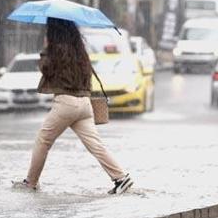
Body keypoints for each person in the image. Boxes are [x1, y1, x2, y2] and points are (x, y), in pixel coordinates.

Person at [13, 18, 133, 195]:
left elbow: (46, 70)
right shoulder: (79, 51)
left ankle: (31, 182)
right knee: (96, 145)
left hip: (66, 103)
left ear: (54, 32)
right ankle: (121, 178)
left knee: (43, 141)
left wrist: (47, 48)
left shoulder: (56, 51)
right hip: (84, 104)